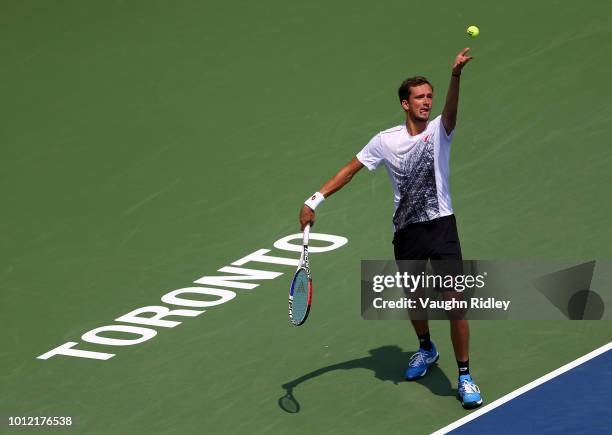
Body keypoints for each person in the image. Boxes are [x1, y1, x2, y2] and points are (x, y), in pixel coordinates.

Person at [298, 48, 483, 409]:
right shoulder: (385, 140)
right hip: (407, 232)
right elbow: (350, 170)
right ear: (405, 104)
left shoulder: (439, 131)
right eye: (420, 97)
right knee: (414, 299)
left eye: (430, 96)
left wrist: (456, 76)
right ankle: (427, 349)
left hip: (442, 227)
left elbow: (452, 109)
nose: (427, 103)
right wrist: (314, 200)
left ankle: (464, 375)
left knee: (454, 304)